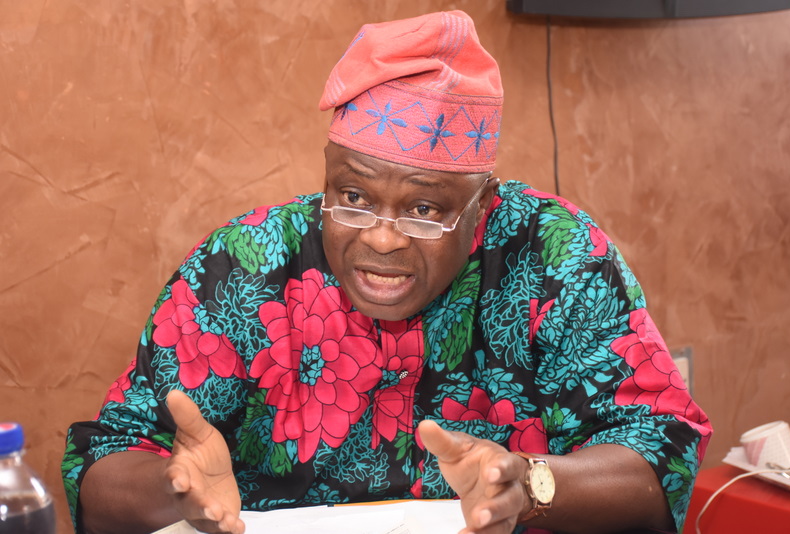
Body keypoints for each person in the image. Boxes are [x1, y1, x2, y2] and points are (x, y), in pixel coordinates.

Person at [62, 10, 712, 534]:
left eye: (425, 209)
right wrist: (177, 492)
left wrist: (530, 485)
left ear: (482, 205)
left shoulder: (554, 254)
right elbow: (104, 463)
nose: (379, 237)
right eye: (352, 197)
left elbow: (659, 451)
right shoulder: (247, 263)